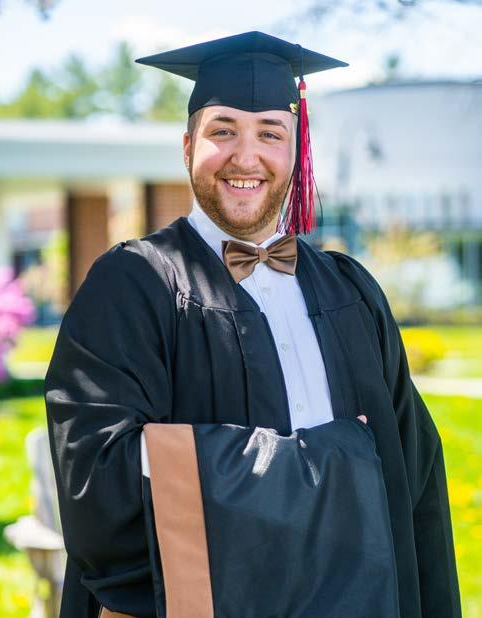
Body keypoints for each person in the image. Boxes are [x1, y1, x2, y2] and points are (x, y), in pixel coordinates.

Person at [44, 31, 461, 618]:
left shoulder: (352, 291)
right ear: (187, 146)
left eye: (270, 133)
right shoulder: (134, 286)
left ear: (297, 149)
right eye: (223, 131)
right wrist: (334, 465)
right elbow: (98, 478)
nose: (246, 157)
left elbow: (414, 483)